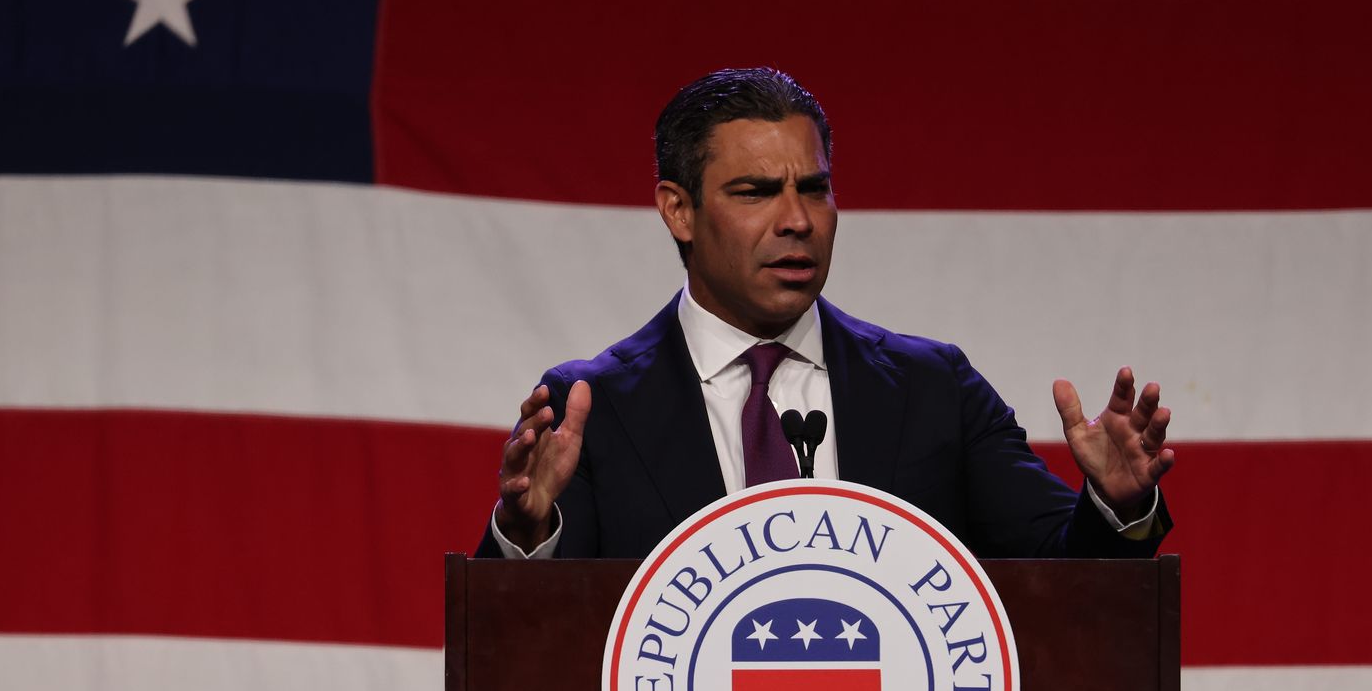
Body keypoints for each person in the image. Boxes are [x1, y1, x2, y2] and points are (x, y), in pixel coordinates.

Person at [480, 68, 1173, 560]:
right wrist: (526, 536)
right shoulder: (593, 408)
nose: (798, 220)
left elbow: (1063, 579)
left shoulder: (934, 390)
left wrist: (1117, 506)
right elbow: (530, 648)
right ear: (678, 210)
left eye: (814, 189)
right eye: (756, 192)